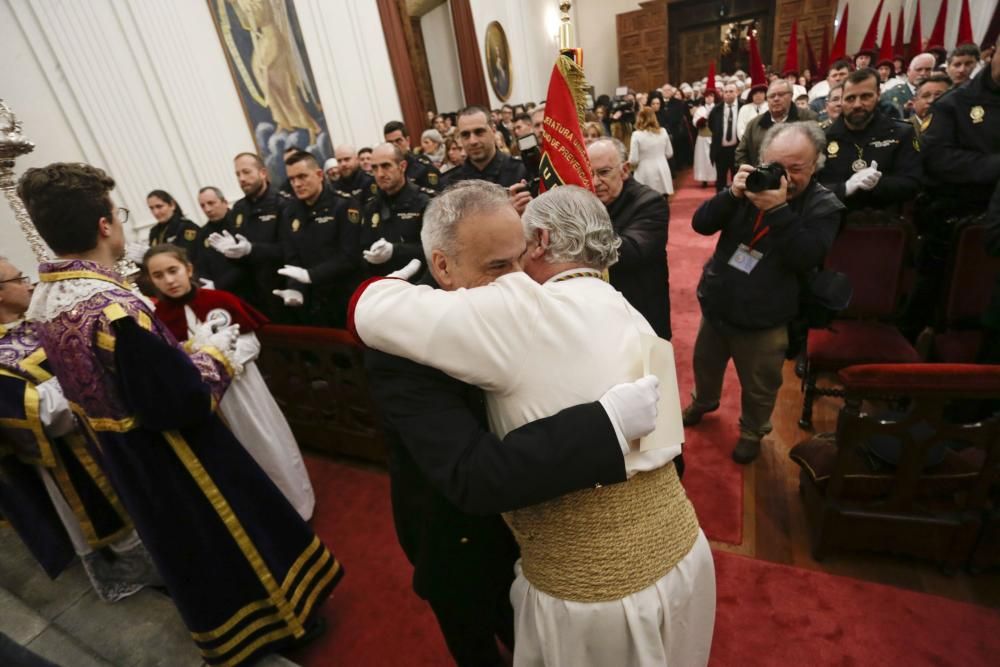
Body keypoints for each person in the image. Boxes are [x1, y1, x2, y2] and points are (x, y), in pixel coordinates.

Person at [350, 182, 714, 667]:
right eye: (499, 267)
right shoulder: (403, 353)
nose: (520, 280)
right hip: (465, 548)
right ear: (441, 266)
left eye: (522, 259)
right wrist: (605, 428)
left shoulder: (550, 308)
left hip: (567, 558)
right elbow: (470, 475)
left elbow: (663, 434)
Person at [19, 162, 339, 665]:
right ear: (105, 224)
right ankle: (279, 623)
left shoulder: (44, 301)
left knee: (186, 551)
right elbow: (179, 402)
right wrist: (213, 355)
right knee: (228, 541)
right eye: (119, 214)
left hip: (124, 457)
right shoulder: (114, 309)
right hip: (177, 456)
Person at [0, 257, 158, 601]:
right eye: (20, 278)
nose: (29, 284)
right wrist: (86, 372)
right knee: (125, 532)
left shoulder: (33, 326)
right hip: (74, 461)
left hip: (114, 437)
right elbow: (43, 417)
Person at [685, 123, 844, 463]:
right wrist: (731, 194)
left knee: (760, 385)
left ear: (815, 165)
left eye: (795, 169)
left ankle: (752, 431)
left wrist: (777, 210)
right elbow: (701, 224)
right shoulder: (751, 187)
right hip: (719, 301)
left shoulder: (823, 205)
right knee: (705, 363)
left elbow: (807, 255)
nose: (783, 177)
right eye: (775, 166)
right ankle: (704, 400)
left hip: (767, 316)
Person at [144, 244, 315, 520]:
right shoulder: (157, 320)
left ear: (188, 269)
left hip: (243, 391)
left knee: (265, 444)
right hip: (207, 405)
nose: (169, 280)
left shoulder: (218, 300)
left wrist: (221, 354)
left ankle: (297, 508)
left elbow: (252, 343)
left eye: (173, 270)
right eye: (159, 275)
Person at [903, 38, 1000, 338]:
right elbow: (936, 158)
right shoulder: (955, 102)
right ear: (994, 52)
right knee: (928, 298)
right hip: (955, 220)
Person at [274, 150, 362, 326]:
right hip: (313, 300)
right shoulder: (290, 212)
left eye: (302, 177)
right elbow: (292, 257)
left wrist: (311, 275)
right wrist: (295, 288)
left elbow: (350, 257)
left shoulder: (344, 205)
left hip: (344, 296)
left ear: (319, 174)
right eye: (292, 179)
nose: (297, 184)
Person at [818, 68, 921, 211]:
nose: (857, 104)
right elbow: (811, 189)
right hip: (835, 221)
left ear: (878, 95)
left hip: (887, 221)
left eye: (865, 97)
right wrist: (844, 188)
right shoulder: (822, 137)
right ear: (842, 100)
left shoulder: (901, 133)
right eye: (850, 98)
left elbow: (913, 183)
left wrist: (878, 185)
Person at [208, 152, 287, 320]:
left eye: (246, 172)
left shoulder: (282, 203)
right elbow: (239, 257)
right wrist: (230, 252)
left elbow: (288, 250)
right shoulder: (239, 208)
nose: (241, 178)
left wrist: (252, 249)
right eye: (238, 174)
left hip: (280, 286)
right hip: (251, 292)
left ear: (263, 173)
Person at [360, 144, 433, 277]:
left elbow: (435, 249)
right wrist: (372, 259)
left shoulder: (425, 202)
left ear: (402, 166)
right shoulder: (371, 207)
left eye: (386, 166)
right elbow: (363, 250)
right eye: (374, 168)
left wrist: (395, 250)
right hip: (386, 285)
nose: (380, 174)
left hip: (420, 285)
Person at [736, 80, 817, 168]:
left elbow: (818, 151)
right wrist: (750, 173)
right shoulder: (754, 124)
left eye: (781, 94)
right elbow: (741, 152)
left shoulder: (808, 119)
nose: (776, 99)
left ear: (791, 96)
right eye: (772, 96)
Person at [192, 186, 248, 299]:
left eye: (211, 203)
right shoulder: (203, 234)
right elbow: (201, 264)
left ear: (224, 202)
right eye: (202, 205)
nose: (207, 209)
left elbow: (247, 264)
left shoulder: (240, 223)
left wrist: (218, 285)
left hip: (246, 289)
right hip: (219, 294)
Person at [628, 107, 675, 197]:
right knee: (663, 201)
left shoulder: (636, 135)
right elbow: (669, 153)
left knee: (647, 200)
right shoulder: (663, 131)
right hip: (662, 169)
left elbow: (634, 159)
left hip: (644, 172)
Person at [383, 120, 443, 191]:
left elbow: (436, 194)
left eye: (398, 141)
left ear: (408, 141)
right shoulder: (383, 169)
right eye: (390, 143)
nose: (394, 146)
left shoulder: (422, 165)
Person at [146, 189, 200, 258]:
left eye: (159, 207)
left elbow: (187, 255)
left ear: (172, 205)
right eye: (151, 208)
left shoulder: (187, 226)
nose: (155, 212)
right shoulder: (154, 231)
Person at [709, 82, 741, 191]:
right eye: (725, 92)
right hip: (721, 150)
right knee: (720, 180)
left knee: (738, 179)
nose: (728, 94)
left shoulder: (743, 106)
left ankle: (738, 204)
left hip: (738, 150)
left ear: (737, 92)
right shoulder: (716, 109)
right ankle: (720, 204)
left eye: (731, 91)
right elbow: (711, 125)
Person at [883, 53, 936, 119]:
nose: (923, 73)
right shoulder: (891, 94)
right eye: (919, 69)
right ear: (908, 71)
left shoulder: (938, 94)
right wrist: (903, 110)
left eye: (928, 70)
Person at [910, 73, 952, 142]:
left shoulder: (963, 129)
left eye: (938, 95)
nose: (931, 100)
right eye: (926, 96)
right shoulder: (901, 131)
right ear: (914, 102)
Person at [691, 91, 716, 187]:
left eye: (711, 96)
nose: (709, 98)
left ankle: (715, 178)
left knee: (714, 159)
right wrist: (703, 118)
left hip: (714, 137)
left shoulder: (717, 108)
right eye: (707, 97)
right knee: (702, 159)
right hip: (702, 137)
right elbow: (695, 122)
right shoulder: (700, 109)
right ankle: (704, 179)